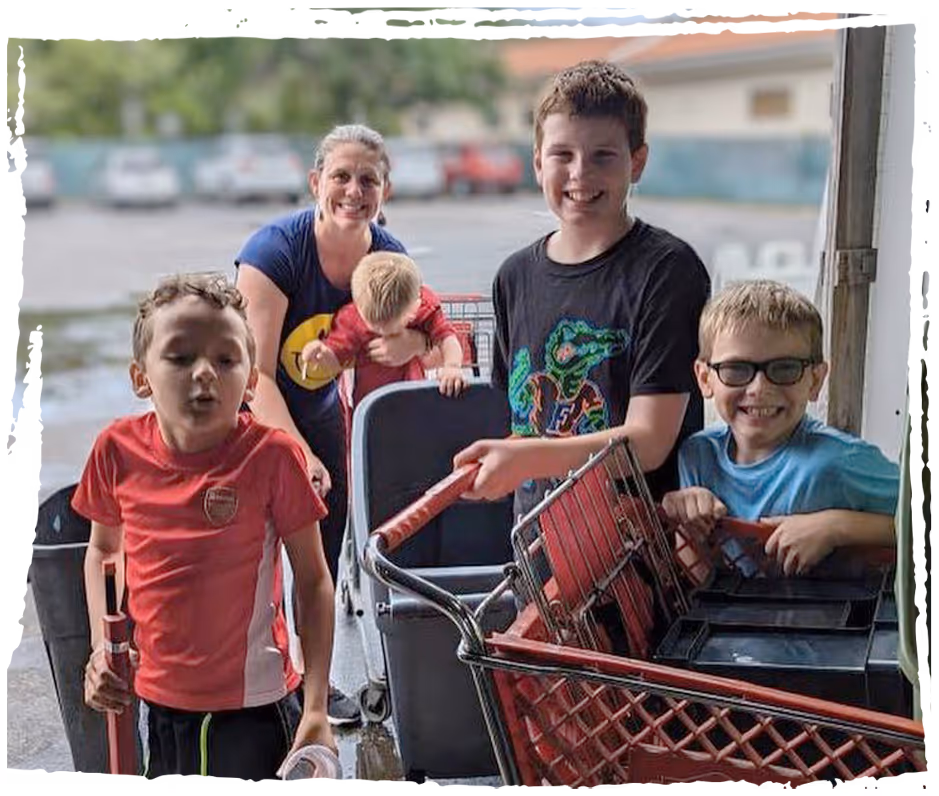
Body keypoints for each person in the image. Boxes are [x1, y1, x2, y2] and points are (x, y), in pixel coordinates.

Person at [75, 274, 335, 788]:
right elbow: (104, 549)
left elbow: (313, 580)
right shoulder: (115, 451)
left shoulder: (273, 457)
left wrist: (317, 706)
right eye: (179, 357)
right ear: (140, 376)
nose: (205, 374)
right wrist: (102, 648)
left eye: (226, 359)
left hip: (252, 708)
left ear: (251, 382)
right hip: (157, 699)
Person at [235, 124, 431, 724]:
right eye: (340, 176)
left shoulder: (388, 258)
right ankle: (262, 684)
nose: (353, 190)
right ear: (316, 182)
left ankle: (312, 687)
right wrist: (299, 455)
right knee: (256, 557)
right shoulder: (275, 253)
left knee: (317, 555)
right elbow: (254, 376)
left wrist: (411, 342)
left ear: (385, 190)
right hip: (255, 417)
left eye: (367, 179)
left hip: (322, 414)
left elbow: (429, 323)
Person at [454, 60, 710, 511]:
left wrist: (525, 459)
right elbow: (521, 419)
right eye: (562, 155)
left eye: (603, 156)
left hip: (641, 553)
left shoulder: (668, 271)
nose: (580, 173)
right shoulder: (514, 277)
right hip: (536, 552)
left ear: (638, 162)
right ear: (537, 163)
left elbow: (648, 442)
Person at [661, 279, 898, 576]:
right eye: (736, 369)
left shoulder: (836, 463)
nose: (758, 389)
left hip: (829, 617)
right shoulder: (697, 455)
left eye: (785, 368)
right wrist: (685, 517)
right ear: (705, 379)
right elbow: (700, 574)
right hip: (732, 618)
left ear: (815, 380)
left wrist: (836, 526)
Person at [300, 251, 466, 405]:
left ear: (413, 310)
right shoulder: (351, 318)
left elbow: (447, 338)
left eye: (390, 329)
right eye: (373, 325)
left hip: (411, 393)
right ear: (358, 305)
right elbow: (336, 357)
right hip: (366, 401)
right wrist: (321, 352)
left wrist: (452, 367)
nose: (381, 332)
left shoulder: (425, 307)